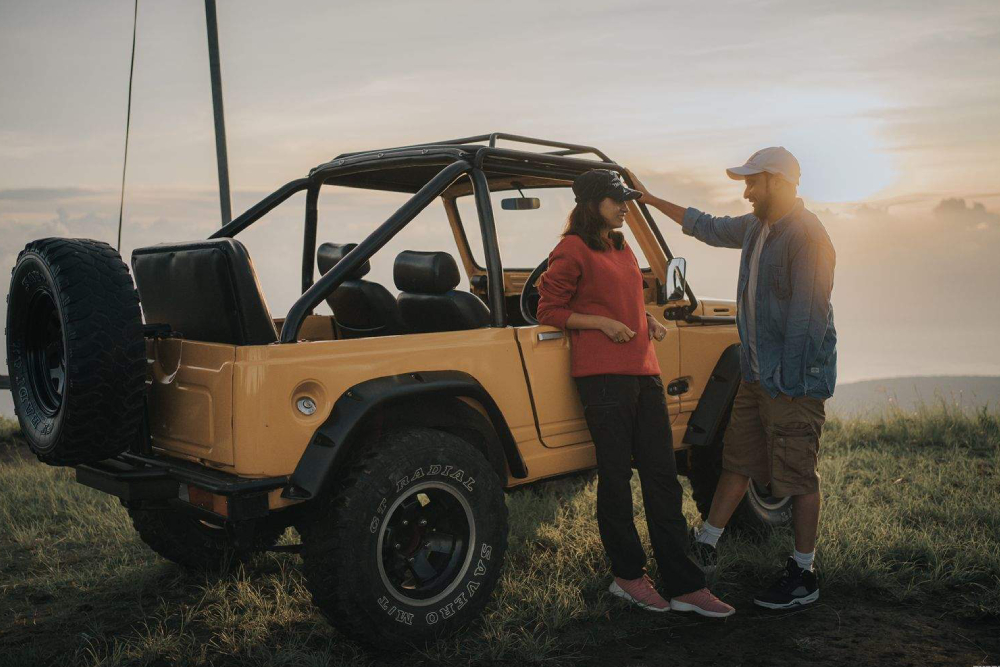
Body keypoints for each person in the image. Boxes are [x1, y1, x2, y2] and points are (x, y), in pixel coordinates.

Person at [626, 146, 837, 610]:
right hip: (757, 374)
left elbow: (809, 319)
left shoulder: (809, 237)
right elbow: (705, 225)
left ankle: (804, 573)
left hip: (792, 383)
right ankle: (706, 543)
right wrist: (649, 200)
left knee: (798, 475)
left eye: (753, 182)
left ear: (778, 183)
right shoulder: (756, 227)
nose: (746, 191)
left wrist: (784, 383)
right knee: (737, 460)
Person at [536, 169, 734, 618]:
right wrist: (602, 324)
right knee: (616, 478)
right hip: (602, 377)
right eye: (616, 200)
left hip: (644, 371)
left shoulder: (620, 245)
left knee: (662, 477)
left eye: (625, 199)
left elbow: (624, 300)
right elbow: (548, 309)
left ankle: (685, 585)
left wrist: (649, 320)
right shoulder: (571, 249)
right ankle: (627, 577)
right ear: (592, 204)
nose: (625, 206)